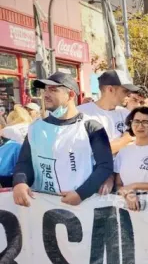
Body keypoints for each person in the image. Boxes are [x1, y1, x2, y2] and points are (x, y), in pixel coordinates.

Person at [12, 72, 113, 207]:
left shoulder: (91, 127)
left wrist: (81, 193)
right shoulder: (36, 127)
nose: (46, 94)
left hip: (81, 206)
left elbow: (105, 166)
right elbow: (24, 162)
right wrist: (20, 182)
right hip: (41, 206)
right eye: (45, 90)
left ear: (70, 95)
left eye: (53, 90)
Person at [78, 70, 140, 154]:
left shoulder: (126, 113)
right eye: (125, 91)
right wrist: (125, 140)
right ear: (110, 89)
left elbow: (136, 142)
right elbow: (92, 151)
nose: (129, 95)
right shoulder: (82, 114)